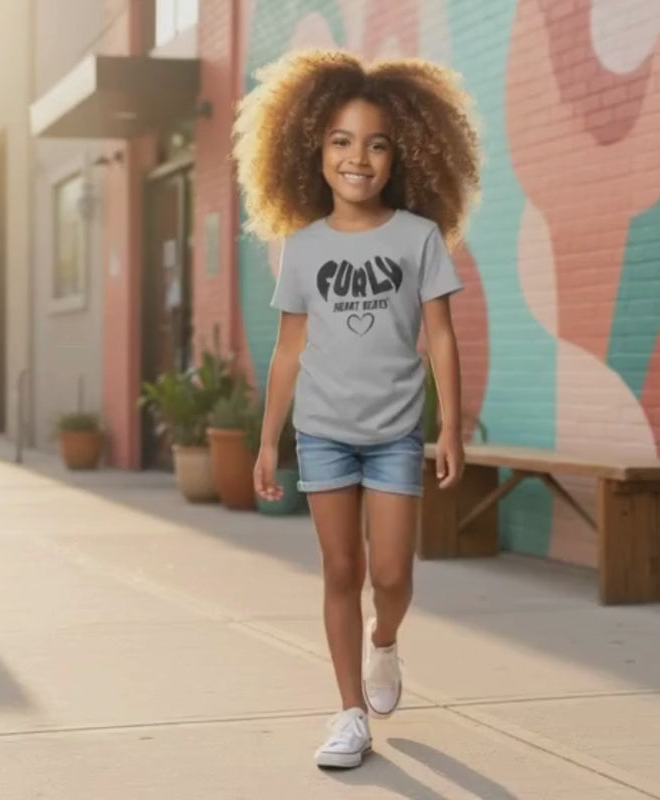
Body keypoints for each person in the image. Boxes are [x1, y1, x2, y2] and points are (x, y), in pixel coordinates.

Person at [233, 49, 481, 769]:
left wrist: (450, 427)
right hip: (324, 435)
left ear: (400, 154)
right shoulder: (302, 248)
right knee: (340, 571)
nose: (357, 158)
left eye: (375, 144)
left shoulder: (417, 237)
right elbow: (288, 349)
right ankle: (348, 715)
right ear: (312, 149)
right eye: (341, 141)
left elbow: (440, 335)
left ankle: (385, 642)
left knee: (394, 576)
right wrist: (265, 440)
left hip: (396, 435)